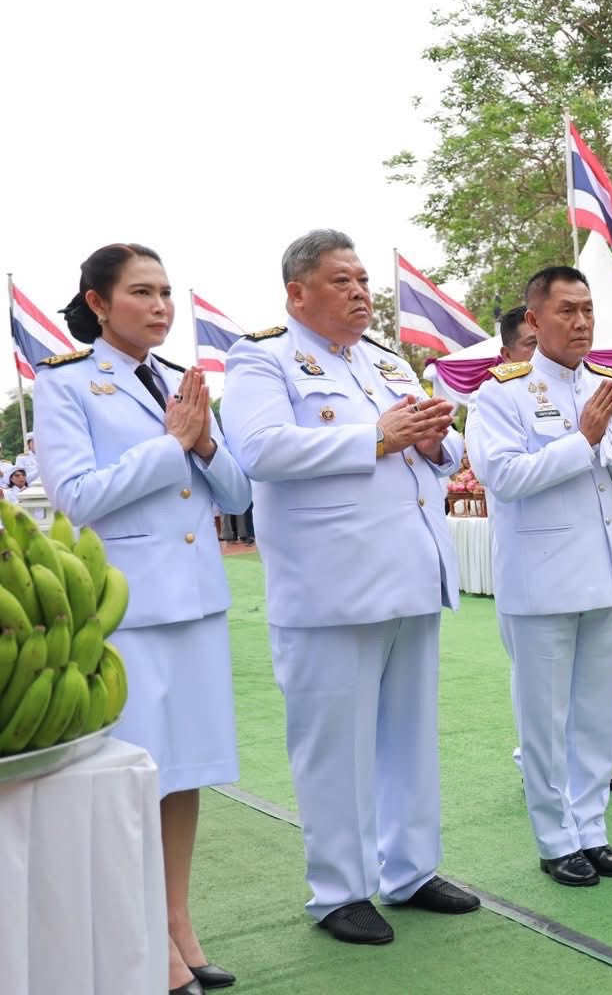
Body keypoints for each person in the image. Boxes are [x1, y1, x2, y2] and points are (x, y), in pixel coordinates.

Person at [221, 230, 478, 945]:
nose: (361, 292)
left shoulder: (387, 361)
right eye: (342, 281)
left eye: (364, 280)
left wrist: (433, 441)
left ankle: (411, 870)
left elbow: (434, 447)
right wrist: (377, 436)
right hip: (331, 588)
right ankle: (339, 890)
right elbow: (261, 450)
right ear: (297, 292)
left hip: (410, 575)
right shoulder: (262, 358)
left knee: (409, 736)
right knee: (334, 746)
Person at [37, 242, 252, 995]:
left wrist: (202, 438)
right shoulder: (65, 383)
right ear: (97, 303)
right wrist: (171, 445)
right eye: (141, 292)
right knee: (137, 780)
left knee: (185, 772)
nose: (161, 306)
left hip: (194, 601)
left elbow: (233, 495)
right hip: (128, 608)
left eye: (165, 292)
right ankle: (144, 945)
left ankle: (179, 925)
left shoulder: (175, 379)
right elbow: (77, 498)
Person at [467, 265, 612, 881]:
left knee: (596, 714)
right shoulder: (499, 393)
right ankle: (555, 840)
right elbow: (506, 476)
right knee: (545, 721)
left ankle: (592, 828)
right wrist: (584, 439)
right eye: (567, 311)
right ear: (534, 320)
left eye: (588, 310)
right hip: (541, 580)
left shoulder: (604, 385)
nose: (581, 323)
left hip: (603, 577)